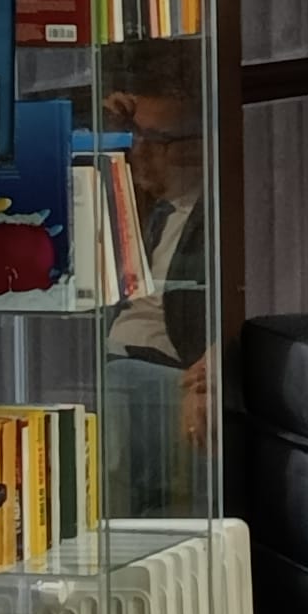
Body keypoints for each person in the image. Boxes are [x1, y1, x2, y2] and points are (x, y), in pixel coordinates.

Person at [101, 45, 212, 515]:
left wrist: (208, 379)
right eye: (134, 134)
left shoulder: (217, 214)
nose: (138, 151)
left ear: (196, 144)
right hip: (119, 373)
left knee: (112, 386)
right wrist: (107, 122)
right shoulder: (145, 199)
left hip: (164, 378)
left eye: (155, 139)